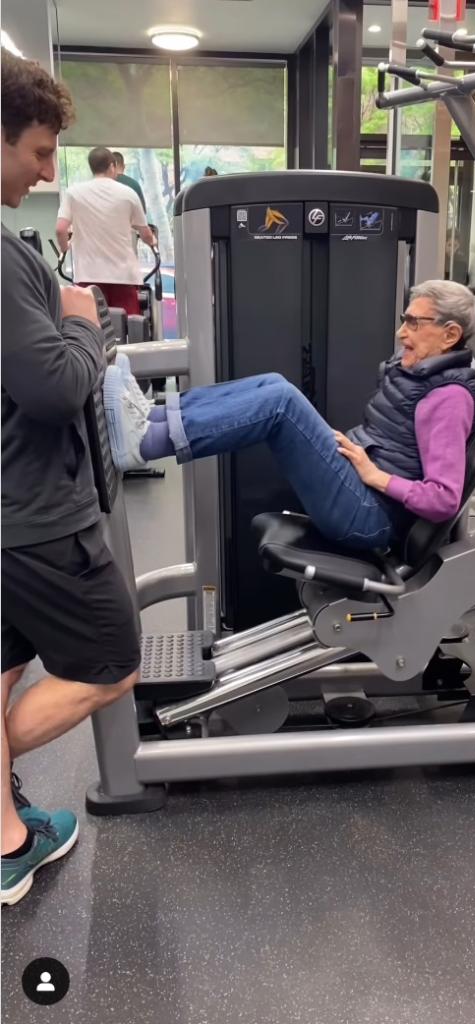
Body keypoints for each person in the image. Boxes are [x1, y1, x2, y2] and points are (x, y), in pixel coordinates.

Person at [1, 51, 141, 906]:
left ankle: (9, 841)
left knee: (4, 668)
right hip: (38, 516)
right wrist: (84, 326)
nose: (49, 170)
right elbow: (55, 386)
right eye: (42, 150)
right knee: (114, 662)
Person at [104, 281, 475, 551]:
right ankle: (152, 418)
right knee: (273, 383)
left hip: (371, 517)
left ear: (449, 336)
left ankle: (147, 442)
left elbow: (445, 498)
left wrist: (377, 476)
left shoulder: (448, 398)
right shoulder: (421, 374)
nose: (402, 331)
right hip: (361, 490)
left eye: (414, 323)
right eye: (406, 319)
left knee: (281, 402)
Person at [56, 146, 156, 316]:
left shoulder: (74, 193)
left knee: (89, 330)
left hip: (88, 275)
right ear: (112, 165)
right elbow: (145, 233)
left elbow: (60, 229)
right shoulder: (128, 193)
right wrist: (154, 242)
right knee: (129, 331)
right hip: (123, 276)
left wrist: (65, 248)